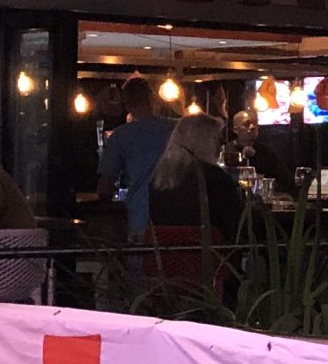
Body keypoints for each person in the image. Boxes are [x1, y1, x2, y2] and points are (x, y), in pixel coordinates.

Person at [97, 77, 176, 239]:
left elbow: (105, 186)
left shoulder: (121, 135)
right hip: (175, 215)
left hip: (140, 215)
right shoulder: (174, 129)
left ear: (126, 102)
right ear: (151, 98)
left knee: (140, 252)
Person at [148, 114, 248, 241]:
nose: (221, 145)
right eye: (218, 139)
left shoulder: (160, 178)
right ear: (206, 142)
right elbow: (235, 224)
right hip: (209, 250)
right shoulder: (215, 178)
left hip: (167, 251)